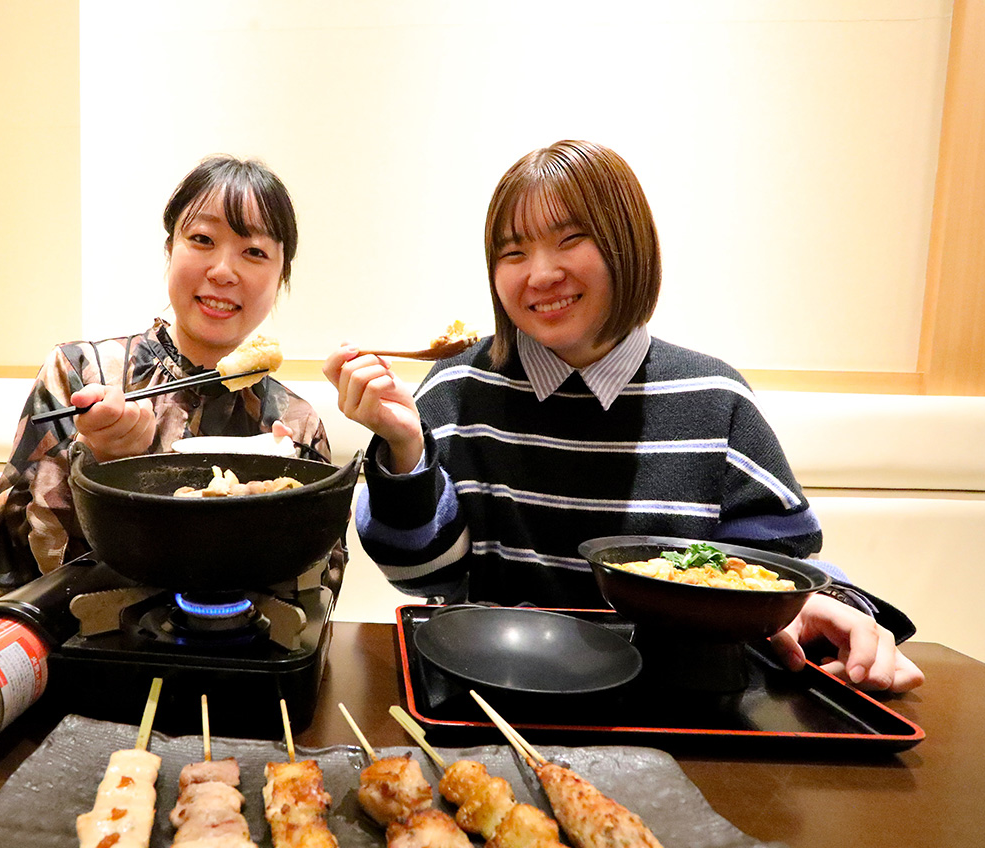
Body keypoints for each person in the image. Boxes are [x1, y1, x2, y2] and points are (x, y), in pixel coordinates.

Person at [323, 139, 923, 693]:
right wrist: (404, 452)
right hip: (498, 694)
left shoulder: (714, 399)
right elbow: (422, 577)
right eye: (514, 252)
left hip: (678, 699)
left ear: (627, 243)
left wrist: (816, 604)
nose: (540, 274)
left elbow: (778, 566)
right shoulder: (460, 385)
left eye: (569, 240)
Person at [0, 154, 334, 595]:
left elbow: (320, 590)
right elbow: (11, 566)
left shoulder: (296, 424)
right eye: (203, 239)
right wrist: (99, 465)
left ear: (280, 275)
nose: (223, 271)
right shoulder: (81, 375)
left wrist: (285, 501)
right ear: (170, 248)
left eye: (254, 252)